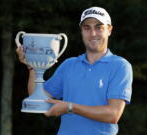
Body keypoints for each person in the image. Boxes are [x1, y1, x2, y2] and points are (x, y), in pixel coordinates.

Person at [16, 6, 133, 135]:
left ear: (109, 30)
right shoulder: (69, 65)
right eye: (87, 28)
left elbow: (113, 114)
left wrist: (70, 107)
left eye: (99, 27)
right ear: (81, 31)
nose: (93, 33)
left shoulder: (120, 66)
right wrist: (32, 66)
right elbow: (37, 98)